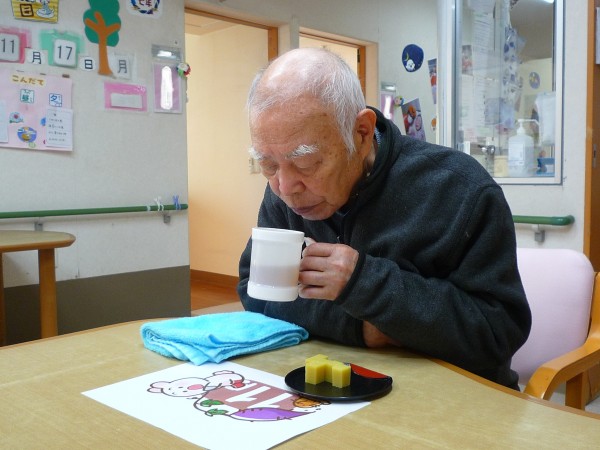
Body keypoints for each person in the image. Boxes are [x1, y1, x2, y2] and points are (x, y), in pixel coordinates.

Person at [237, 47, 531, 389]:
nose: (285, 188)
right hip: (335, 388)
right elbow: (255, 289)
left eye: (306, 163)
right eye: (268, 164)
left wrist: (365, 282)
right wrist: (361, 329)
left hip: (454, 397)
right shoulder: (282, 190)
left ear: (361, 133)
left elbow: (497, 334)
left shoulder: (458, 188)